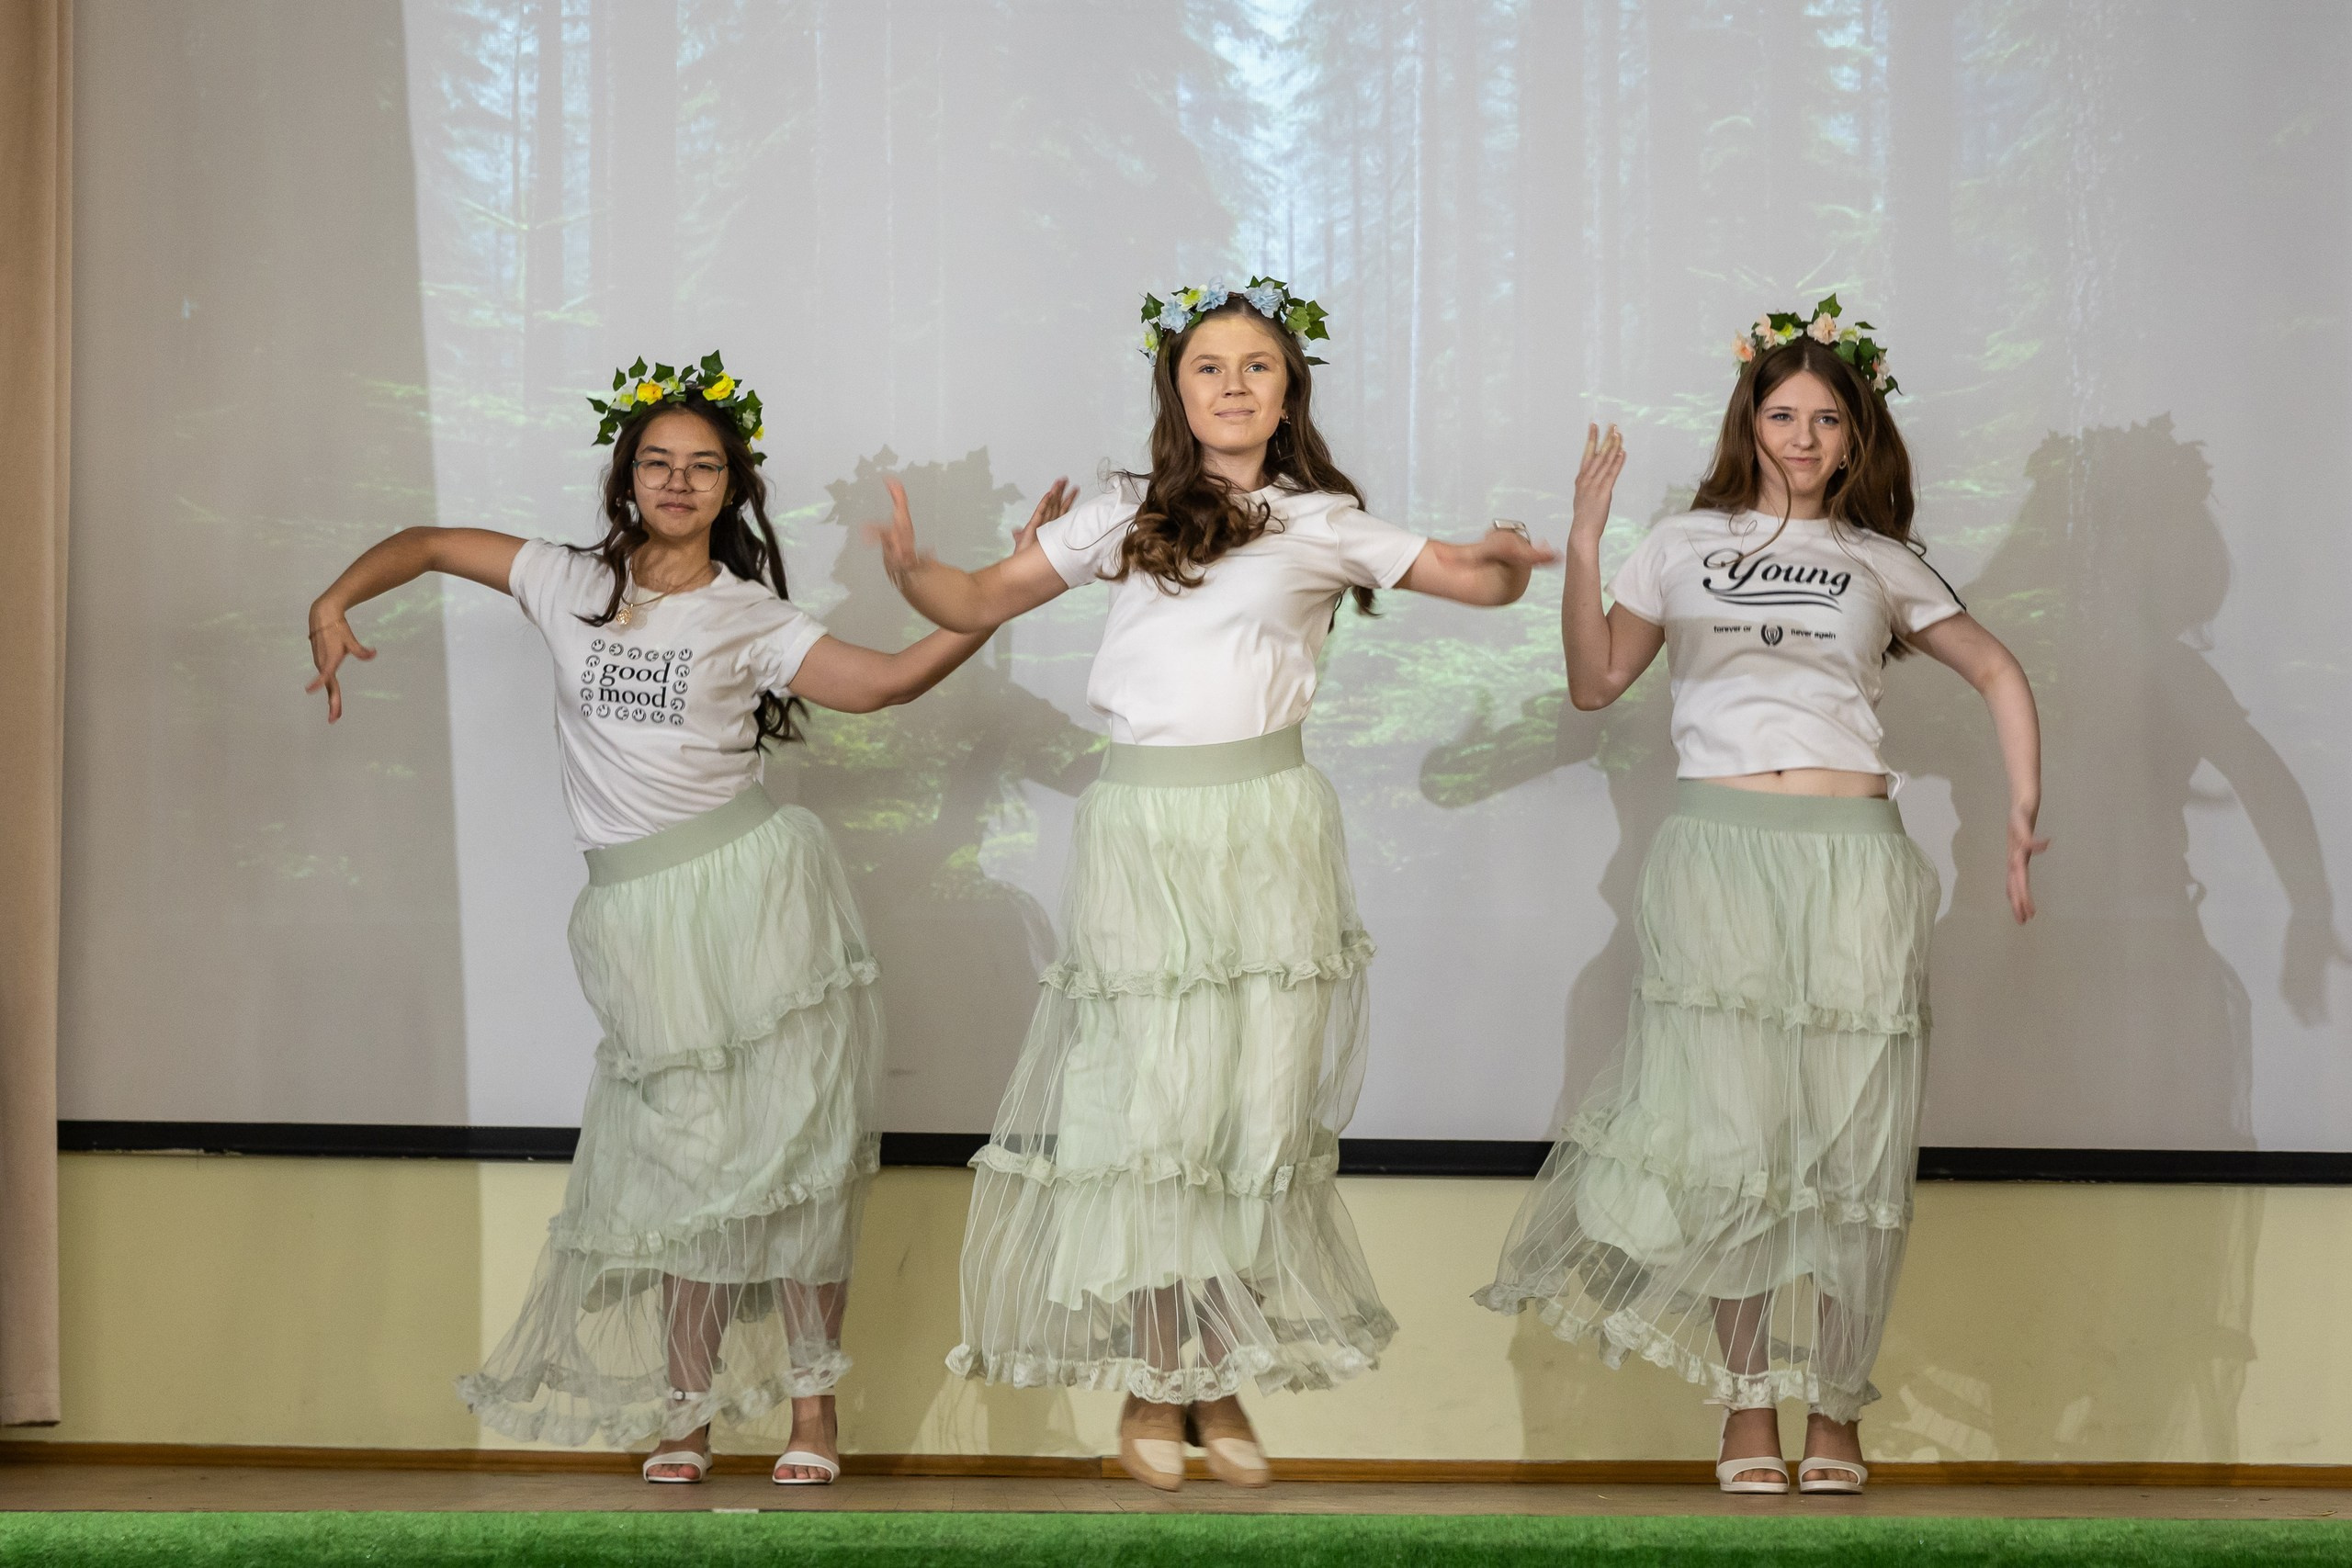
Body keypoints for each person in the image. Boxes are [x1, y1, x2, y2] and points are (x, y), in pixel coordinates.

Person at [303, 354, 1071, 1484]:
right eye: (656, 461)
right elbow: (423, 544)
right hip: (635, 914)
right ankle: (687, 1411)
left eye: (701, 467)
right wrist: (333, 598)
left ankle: (814, 1417)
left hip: (756, 897)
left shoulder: (746, 615)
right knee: (683, 1162)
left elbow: (889, 681)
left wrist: (1004, 590)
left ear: (729, 490)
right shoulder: (560, 580)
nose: (676, 481)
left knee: (794, 1154)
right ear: (626, 478)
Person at [870, 279, 1556, 1490]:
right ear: (1175, 391)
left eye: (1255, 366)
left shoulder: (1323, 517)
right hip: (1147, 829)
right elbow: (975, 599)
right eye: (1208, 366)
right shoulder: (1119, 513)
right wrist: (912, 564)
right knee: (1153, 1105)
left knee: (1251, 1104)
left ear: (1289, 390)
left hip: (1268, 829)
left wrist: (1504, 563)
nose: (1232, 382)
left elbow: (1475, 580)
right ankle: (1151, 1377)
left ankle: (1215, 1371)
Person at [1476, 302, 2046, 1496]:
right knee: (1737, 1136)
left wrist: (2021, 814)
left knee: (1847, 1134)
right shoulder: (1680, 542)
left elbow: (1996, 665)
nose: (1801, 434)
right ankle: (1745, 1405)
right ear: (1750, 420)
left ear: (1855, 437)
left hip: (1853, 853)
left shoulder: (1883, 560)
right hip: (1720, 850)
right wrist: (1583, 541)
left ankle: (1833, 1408)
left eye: (1825, 418)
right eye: (1782, 413)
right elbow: (1594, 683)